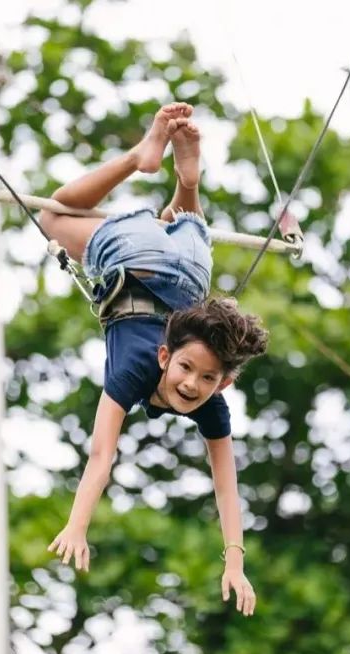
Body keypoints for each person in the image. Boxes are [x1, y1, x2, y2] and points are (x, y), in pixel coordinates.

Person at [40, 102, 268, 617]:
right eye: (187, 369)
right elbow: (103, 457)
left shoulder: (203, 392)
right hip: (134, 257)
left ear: (223, 383)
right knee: (52, 217)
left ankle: (188, 189)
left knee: (180, 230)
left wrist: (235, 561)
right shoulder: (133, 372)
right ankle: (142, 158)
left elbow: (226, 490)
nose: (192, 384)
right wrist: (77, 524)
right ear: (163, 356)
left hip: (192, 264)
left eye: (206, 378)